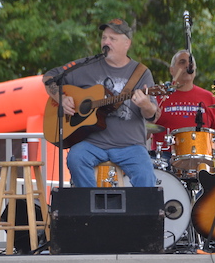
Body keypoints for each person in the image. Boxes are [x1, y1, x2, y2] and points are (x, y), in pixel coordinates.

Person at [42, 18, 158, 187]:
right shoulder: (85, 66)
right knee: (76, 158)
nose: (106, 42)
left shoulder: (141, 73)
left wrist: (145, 105)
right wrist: (61, 98)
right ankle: (91, 207)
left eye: (113, 39)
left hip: (130, 145)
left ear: (127, 44)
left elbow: (152, 116)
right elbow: (49, 77)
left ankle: (142, 213)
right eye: (104, 38)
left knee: (146, 177)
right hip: (93, 144)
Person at [150, 50, 215, 165]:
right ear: (172, 70)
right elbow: (143, 129)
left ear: (195, 71)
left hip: (203, 157)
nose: (187, 66)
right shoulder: (159, 97)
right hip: (164, 157)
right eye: (182, 62)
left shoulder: (208, 97)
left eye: (190, 63)